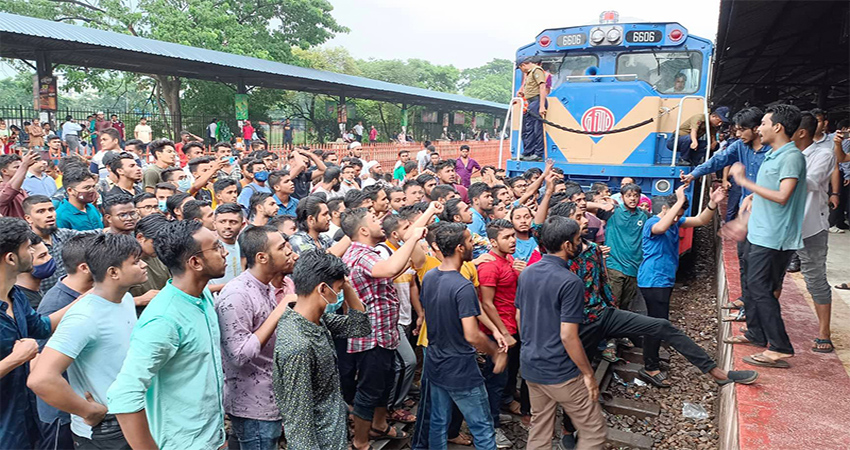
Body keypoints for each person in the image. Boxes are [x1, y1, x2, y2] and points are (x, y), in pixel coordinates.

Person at [107, 220, 229, 450]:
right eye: (216, 247)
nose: (224, 252)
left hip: (212, 438)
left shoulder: (203, 296)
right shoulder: (163, 320)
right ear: (195, 262)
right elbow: (123, 395)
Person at [28, 233, 147, 449]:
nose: (143, 265)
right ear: (113, 272)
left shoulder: (125, 299)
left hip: (133, 414)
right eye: (136, 262)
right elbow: (40, 378)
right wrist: (88, 411)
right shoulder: (85, 316)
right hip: (106, 430)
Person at [726, 104, 807, 369]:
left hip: (774, 236)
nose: (759, 128)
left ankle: (780, 346)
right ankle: (755, 333)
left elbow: (783, 196)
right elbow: (770, 189)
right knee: (753, 284)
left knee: (762, 289)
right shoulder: (774, 155)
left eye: (763, 123)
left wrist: (745, 183)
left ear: (778, 127)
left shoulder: (791, 157)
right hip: (760, 232)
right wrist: (751, 199)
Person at [340, 207, 427, 450]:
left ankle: (378, 425)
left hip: (382, 332)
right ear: (364, 230)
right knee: (368, 391)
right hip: (372, 336)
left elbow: (395, 268)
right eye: (375, 219)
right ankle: (360, 442)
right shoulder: (361, 254)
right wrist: (411, 238)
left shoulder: (368, 253)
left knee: (382, 384)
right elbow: (389, 270)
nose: (381, 222)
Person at [419, 222, 506, 450]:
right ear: (459, 248)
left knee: (438, 421)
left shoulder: (429, 277)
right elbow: (471, 334)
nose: (473, 245)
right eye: (469, 241)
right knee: (482, 428)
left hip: (436, 363)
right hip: (460, 368)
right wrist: (495, 352)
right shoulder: (462, 286)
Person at [273, 250, 370, 449]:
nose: (341, 291)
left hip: (334, 429)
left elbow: (360, 327)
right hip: (323, 440)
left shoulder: (316, 319)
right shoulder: (298, 346)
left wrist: (347, 286)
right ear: (323, 289)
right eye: (338, 287)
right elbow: (299, 423)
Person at [0, 217, 77, 449]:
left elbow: (42, 326)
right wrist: (16, 358)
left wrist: (86, 299)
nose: (33, 255)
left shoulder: (16, 295)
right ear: (11, 258)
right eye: (28, 249)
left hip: (26, 418)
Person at [638, 185, 727, 386]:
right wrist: (678, 200)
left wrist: (712, 202)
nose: (677, 219)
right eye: (675, 215)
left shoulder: (675, 222)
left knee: (659, 323)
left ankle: (652, 362)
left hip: (663, 280)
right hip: (653, 280)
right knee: (658, 325)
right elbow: (660, 227)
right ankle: (650, 367)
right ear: (665, 210)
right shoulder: (653, 222)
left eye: (680, 216)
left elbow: (701, 220)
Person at [215, 226, 293, 450]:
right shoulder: (237, 294)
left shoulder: (264, 286)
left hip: (269, 397)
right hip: (252, 406)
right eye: (282, 247)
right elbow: (238, 355)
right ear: (262, 257)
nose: (289, 251)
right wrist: (280, 312)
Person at [35, 233, 97, 450]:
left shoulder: (96, 293)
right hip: (63, 414)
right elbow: (40, 368)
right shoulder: (56, 304)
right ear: (84, 267)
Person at [477, 219, 527, 446]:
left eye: (513, 236)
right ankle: (491, 427)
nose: (512, 240)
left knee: (506, 375)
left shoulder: (509, 260)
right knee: (495, 379)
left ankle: (496, 412)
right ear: (493, 241)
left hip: (511, 327)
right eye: (506, 237)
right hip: (497, 332)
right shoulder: (489, 266)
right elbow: (487, 303)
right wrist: (503, 332)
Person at [789, 112, 835, 352]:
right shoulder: (784, 155)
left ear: (801, 132)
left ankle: (824, 332)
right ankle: (762, 324)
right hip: (783, 226)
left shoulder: (823, 154)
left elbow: (812, 182)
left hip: (811, 227)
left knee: (815, 278)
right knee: (772, 275)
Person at [374, 215, 419, 424]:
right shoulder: (383, 252)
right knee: (408, 362)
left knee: (399, 364)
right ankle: (392, 406)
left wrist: (420, 313)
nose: (411, 230)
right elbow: (385, 277)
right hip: (391, 319)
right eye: (406, 227)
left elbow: (411, 285)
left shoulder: (404, 250)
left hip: (405, 315)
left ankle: (397, 401)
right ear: (395, 234)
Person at [604, 182, 649, 312]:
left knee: (625, 304)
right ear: (622, 197)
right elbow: (584, 207)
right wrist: (602, 204)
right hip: (614, 264)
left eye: (636, 195)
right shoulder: (613, 212)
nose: (633, 198)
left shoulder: (644, 215)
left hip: (634, 266)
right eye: (629, 195)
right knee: (613, 301)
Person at [129, 214, 169, 314]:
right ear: (140, 238)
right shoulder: (122, 262)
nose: (161, 246)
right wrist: (139, 300)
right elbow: (105, 301)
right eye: (157, 242)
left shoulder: (161, 256)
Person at [208, 203, 246, 291]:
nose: (227, 226)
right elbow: (200, 288)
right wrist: (229, 286)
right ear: (214, 224)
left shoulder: (242, 245)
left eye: (233, 222)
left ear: (242, 225)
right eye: (222, 222)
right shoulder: (209, 249)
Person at [517, 57, 548, 162]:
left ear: (523, 65)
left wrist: (542, 105)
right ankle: (527, 152)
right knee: (529, 128)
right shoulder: (530, 73)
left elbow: (542, 87)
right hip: (531, 102)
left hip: (537, 101)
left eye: (520, 68)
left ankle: (538, 154)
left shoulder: (537, 70)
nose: (521, 70)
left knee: (537, 128)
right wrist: (523, 93)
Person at [55, 167, 103, 231]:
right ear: (70, 190)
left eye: (93, 186)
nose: (92, 190)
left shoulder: (91, 208)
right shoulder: (61, 216)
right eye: (87, 187)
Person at [14, 235, 53, 309]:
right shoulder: (23, 301)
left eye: (48, 253)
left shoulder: (36, 290)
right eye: (42, 256)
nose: (50, 258)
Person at [1, 151, 39, 218]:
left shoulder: (21, 190)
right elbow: (9, 190)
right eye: (17, 167)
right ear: (4, 171)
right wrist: (24, 165)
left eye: (20, 167)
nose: (23, 170)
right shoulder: (2, 190)